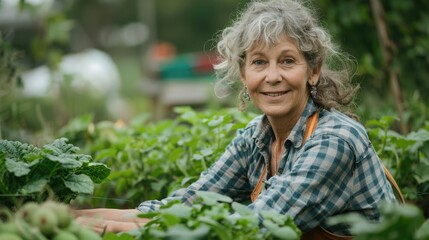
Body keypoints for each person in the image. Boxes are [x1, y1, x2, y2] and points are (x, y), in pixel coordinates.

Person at [74, 0, 398, 238]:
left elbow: (258, 226)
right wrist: (85, 217)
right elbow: (190, 203)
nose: (272, 77)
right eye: (259, 62)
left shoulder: (334, 142)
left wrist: (128, 232)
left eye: (287, 61)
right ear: (243, 74)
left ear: (313, 71)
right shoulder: (255, 140)